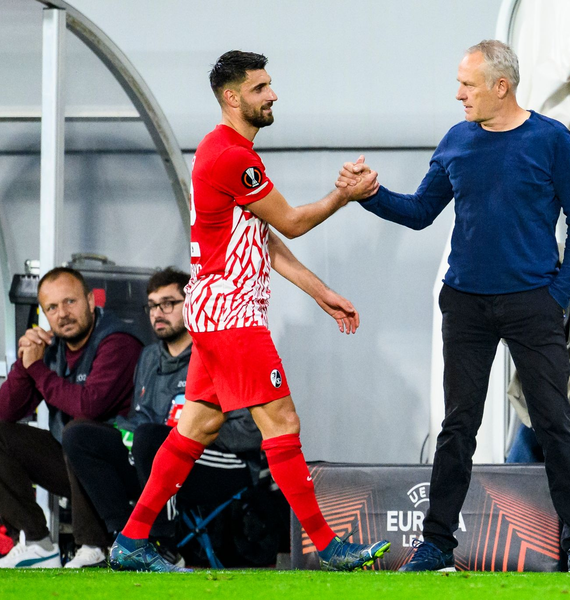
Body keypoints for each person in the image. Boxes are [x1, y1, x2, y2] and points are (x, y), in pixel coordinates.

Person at [338, 40, 570, 573]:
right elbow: (421, 211)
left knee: (555, 423)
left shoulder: (551, 140)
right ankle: (437, 546)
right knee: (457, 427)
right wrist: (370, 195)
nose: (458, 94)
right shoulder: (457, 140)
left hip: (533, 302)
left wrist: (555, 296)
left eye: (468, 84)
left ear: (501, 86)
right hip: (464, 304)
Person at [109, 50, 389, 573]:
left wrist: (319, 291)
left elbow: (265, 237)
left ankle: (131, 541)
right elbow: (293, 222)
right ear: (233, 97)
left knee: (196, 425)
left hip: (216, 314)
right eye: (261, 88)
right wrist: (344, 194)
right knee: (281, 420)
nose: (273, 94)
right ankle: (329, 549)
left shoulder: (224, 151)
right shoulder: (231, 156)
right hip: (233, 318)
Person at [64, 267, 274, 567]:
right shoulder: (149, 356)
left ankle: (164, 545)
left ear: (192, 304)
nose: (157, 313)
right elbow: (141, 420)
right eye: (152, 305)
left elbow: (250, 433)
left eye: (168, 303)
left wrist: (190, 431)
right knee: (80, 435)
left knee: (156, 439)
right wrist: (124, 431)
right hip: (157, 456)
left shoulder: (221, 352)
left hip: (223, 463)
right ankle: (124, 539)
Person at [0, 267, 143, 568]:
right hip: (73, 464)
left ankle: (93, 546)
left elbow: (88, 406)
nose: (62, 313)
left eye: (70, 302)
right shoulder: (52, 347)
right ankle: (37, 544)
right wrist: (25, 361)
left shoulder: (118, 341)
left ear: (91, 301)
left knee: (79, 430)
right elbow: (8, 411)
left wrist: (38, 369)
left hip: (120, 470)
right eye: (52, 307)